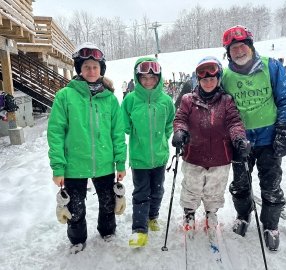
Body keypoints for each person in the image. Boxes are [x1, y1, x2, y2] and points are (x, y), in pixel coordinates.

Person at [47, 42, 127, 254]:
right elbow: (56, 133)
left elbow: (117, 133)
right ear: (79, 69)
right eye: (86, 67)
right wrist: (58, 168)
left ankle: (107, 231)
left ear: (101, 69)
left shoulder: (110, 99)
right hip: (74, 164)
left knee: (108, 203)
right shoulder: (65, 96)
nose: (91, 71)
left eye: (95, 67)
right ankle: (77, 239)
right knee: (75, 208)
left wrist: (120, 162)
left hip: (105, 163)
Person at [221, 25, 286, 251]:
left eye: (243, 46)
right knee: (241, 184)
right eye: (234, 48)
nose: (239, 51)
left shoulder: (271, 66)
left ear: (251, 46)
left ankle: (270, 224)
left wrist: (284, 130)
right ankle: (243, 215)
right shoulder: (225, 76)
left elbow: (285, 98)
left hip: (269, 139)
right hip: (240, 140)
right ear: (228, 52)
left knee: (271, 184)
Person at [172, 56, 249, 237]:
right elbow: (180, 119)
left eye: (212, 79)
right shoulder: (188, 100)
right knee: (191, 187)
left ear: (219, 79)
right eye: (204, 79)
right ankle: (189, 213)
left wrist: (239, 138)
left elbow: (234, 122)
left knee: (215, 189)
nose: (208, 82)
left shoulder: (227, 101)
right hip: (193, 155)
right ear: (198, 80)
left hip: (220, 157)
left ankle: (211, 213)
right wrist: (180, 132)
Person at [121, 57, 175, 248]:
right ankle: (139, 229)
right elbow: (124, 126)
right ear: (137, 78)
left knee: (158, 190)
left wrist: (163, 138)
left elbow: (170, 123)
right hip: (139, 158)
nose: (148, 81)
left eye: (152, 77)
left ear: (158, 78)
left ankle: (153, 216)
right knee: (141, 193)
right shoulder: (130, 100)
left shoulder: (166, 101)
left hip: (160, 157)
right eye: (144, 77)